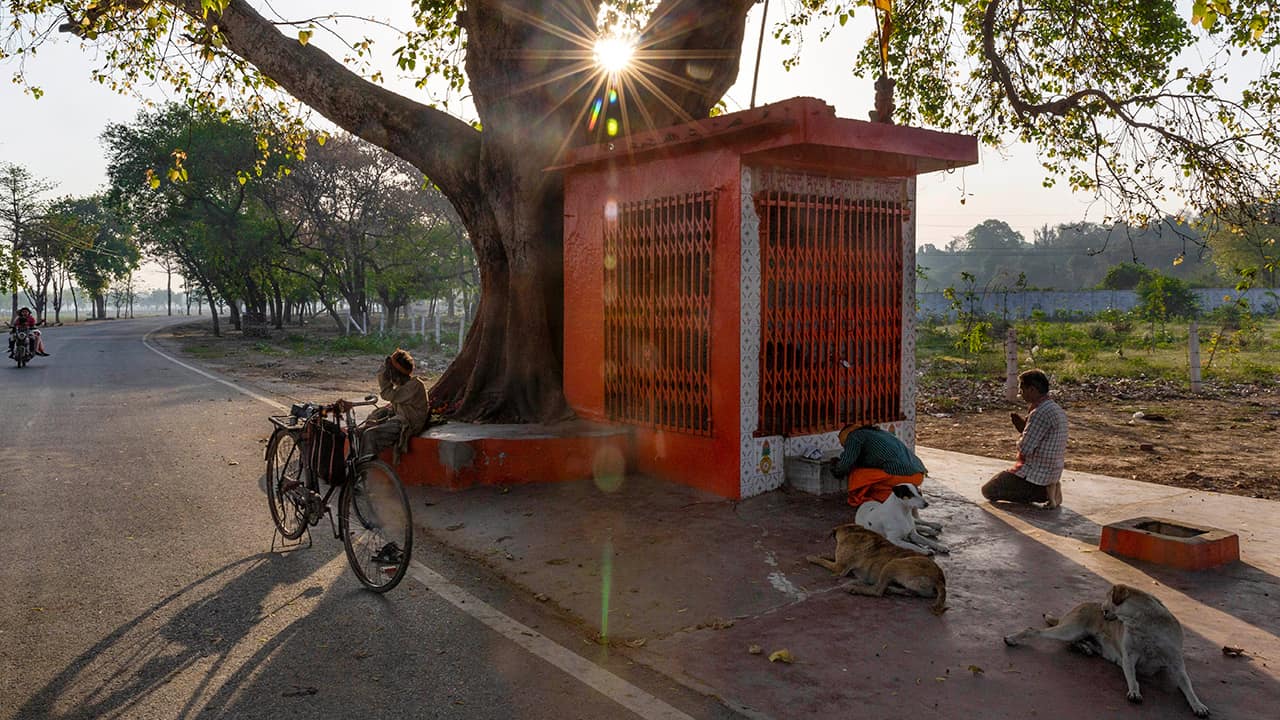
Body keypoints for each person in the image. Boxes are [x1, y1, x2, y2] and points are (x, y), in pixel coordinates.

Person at [981, 368, 1068, 509]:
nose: (1021, 394)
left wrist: (1022, 434)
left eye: (1022, 390)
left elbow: (1025, 448)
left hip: (1036, 474)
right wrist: (1025, 428)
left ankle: (1041, 493)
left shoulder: (1039, 412)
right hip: (1051, 471)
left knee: (989, 490)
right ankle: (1049, 490)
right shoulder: (1055, 409)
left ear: (1032, 390)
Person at [337, 348, 430, 465]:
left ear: (396, 372)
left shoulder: (415, 386)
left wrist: (382, 376)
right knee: (360, 431)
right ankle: (352, 466)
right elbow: (395, 406)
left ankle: (366, 470)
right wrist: (375, 419)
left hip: (408, 424)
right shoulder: (404, 386)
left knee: (370, 435)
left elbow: (388, 395)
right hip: (401, 418)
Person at [828, 424, 928, 507]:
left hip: (903, 476)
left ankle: (865, 498)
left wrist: (835, 469)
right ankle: (906, 495)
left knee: (858, 475)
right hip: (918, 475)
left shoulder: (854, 437)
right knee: (874, 478)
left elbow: (845, 464)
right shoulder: (879, 433)